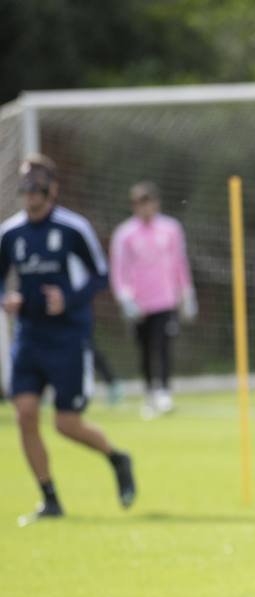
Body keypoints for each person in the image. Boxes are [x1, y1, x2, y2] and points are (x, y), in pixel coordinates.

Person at [1, 154, 136, 524]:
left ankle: (116, 458)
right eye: (25, 185)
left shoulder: (74, 228)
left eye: (36, 185)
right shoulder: (10, 233)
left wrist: (68, 299)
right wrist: (6, 298)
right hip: (28, 337)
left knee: (66, 424)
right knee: (25, 413)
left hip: (67, 338)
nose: (30, 193)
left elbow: (100, 275)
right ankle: (50, 499)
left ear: (51, 189)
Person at [110, 181, 197, 417]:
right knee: (145, 348)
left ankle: (165, 393)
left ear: (156, 204)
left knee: (164, 346)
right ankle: (150, 393)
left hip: (165, 300)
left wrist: (186, 292)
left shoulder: (170, 229)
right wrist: (124, 297)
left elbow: (179, 262)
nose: (145, 209)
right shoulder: (125, 234)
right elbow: (120, 270)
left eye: (148, 203)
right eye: (139, 204)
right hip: (139, 304)